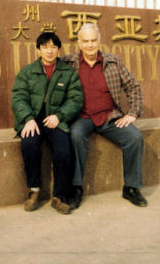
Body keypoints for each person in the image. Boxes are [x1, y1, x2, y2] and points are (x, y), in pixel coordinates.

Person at [62, 23, 148, 208]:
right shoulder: (68, 63)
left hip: (110, 117)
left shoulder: (113, 62)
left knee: (135, 138)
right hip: (82, 117)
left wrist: (133, 113)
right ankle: (76, 188)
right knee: (75, 136)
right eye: (86, 41)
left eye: (93, 40)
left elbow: (133, 86)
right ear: (79, 43)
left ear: (99, 41)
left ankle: (131, 188)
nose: (90, 45)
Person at [11, 32, 84, 214]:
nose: (49, 51)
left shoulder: (67, 73)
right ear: (38, 49)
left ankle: (59, 196)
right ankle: (34, 191)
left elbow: (75, 98)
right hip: (32, 121)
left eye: (53, 47)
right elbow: (18, 97)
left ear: (59, 49)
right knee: (30, 144)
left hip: (55, 121)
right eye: (45, 47)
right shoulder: (27, 72)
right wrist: (27, 119)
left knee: (63, 151)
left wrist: (59, 116)